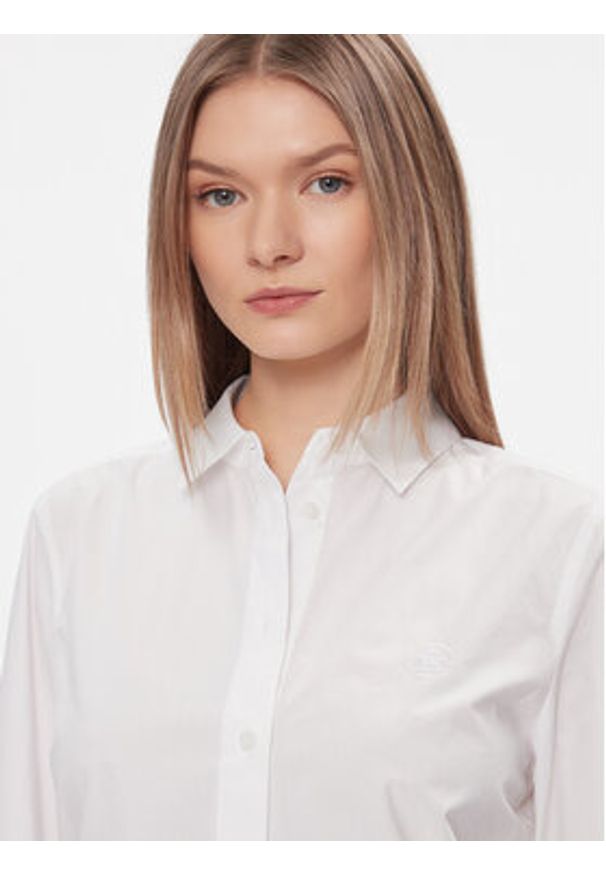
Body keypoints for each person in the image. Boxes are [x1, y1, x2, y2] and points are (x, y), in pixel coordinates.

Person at [0, 34, 602, 841]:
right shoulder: (77, 536)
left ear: (409, 197)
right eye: (221, 195)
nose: (269, 243)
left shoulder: (555, 547)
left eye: (326, 183)